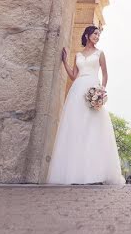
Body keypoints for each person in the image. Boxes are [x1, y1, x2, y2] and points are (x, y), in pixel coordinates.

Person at [46, 26, 125, 185]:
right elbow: (74, 75)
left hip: (93, 89)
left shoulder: (100, 53)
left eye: (99, 34)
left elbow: (105, 73)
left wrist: (101, 90)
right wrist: (65, 61)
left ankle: (95, 174)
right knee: (77, 128)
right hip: (77, 91)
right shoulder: (78, 55)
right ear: (87, 35)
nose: (97, 36)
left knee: (93, 129)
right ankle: (75, 173)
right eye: (95, 34)